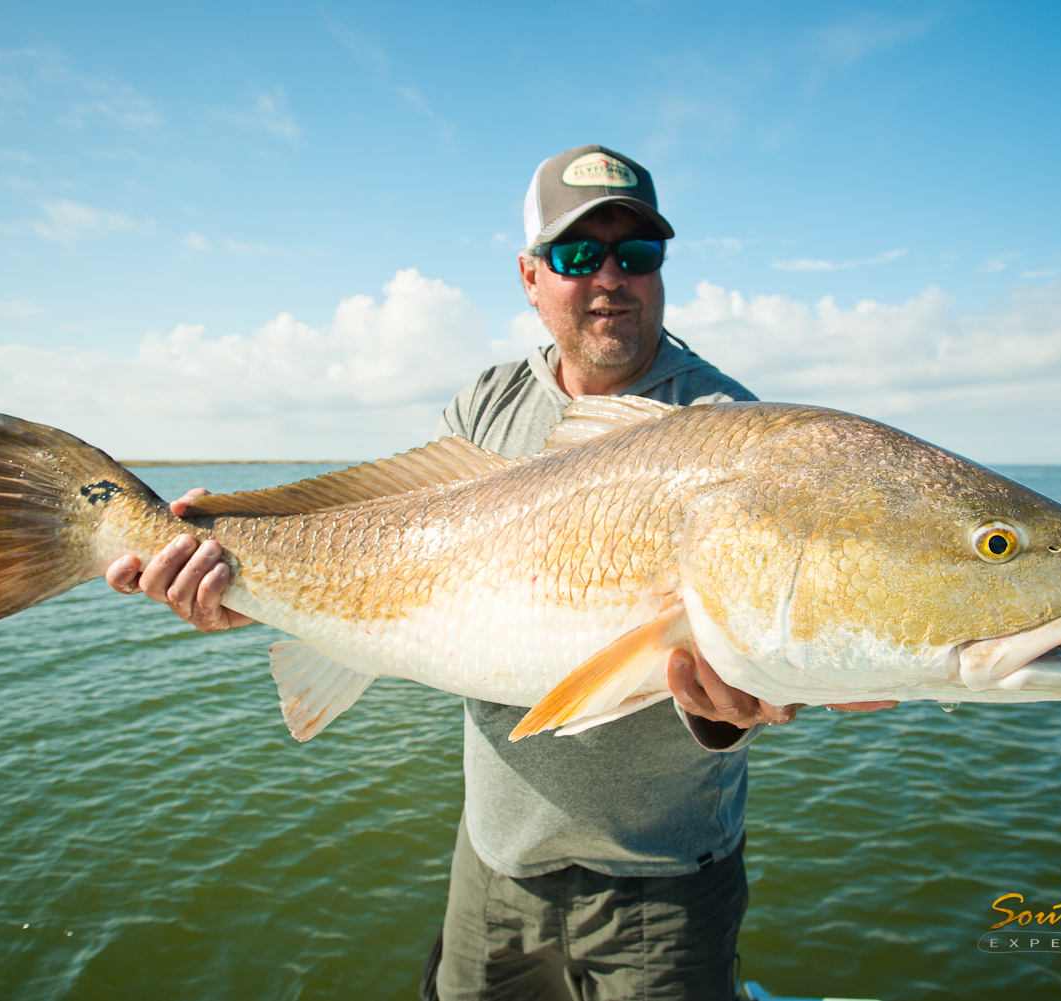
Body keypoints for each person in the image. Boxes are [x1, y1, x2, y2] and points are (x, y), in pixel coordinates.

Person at [106, 145, 893, 1000]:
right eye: (575, 255)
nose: (609, 278)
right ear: (529, 276)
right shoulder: (487, 403)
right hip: (496, 862)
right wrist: (243, 593)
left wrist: (735, 714)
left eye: (637, 255)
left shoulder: (728, 430)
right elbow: (402, 579)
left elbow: (751, 680)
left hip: (663, 879)